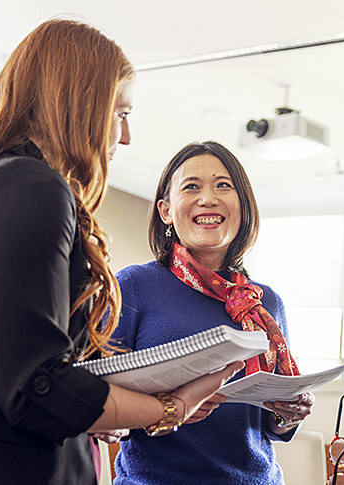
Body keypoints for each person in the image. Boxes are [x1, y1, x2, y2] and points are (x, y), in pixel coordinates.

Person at [0, 20, 243, 484]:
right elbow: (36, 386)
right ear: (76, 103)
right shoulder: (29, 185)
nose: (124, 137)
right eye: (120, 112)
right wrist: (171, 407)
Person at [110, 141, 314, 484]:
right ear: (165, 211)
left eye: (223, 185)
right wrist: (169, 406)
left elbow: (269, 425)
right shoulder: (131, 286)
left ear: (242, 206)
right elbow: (101, 403)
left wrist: (290, 414)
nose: (208, 198)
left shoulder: (264, 302)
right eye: (192, 187)